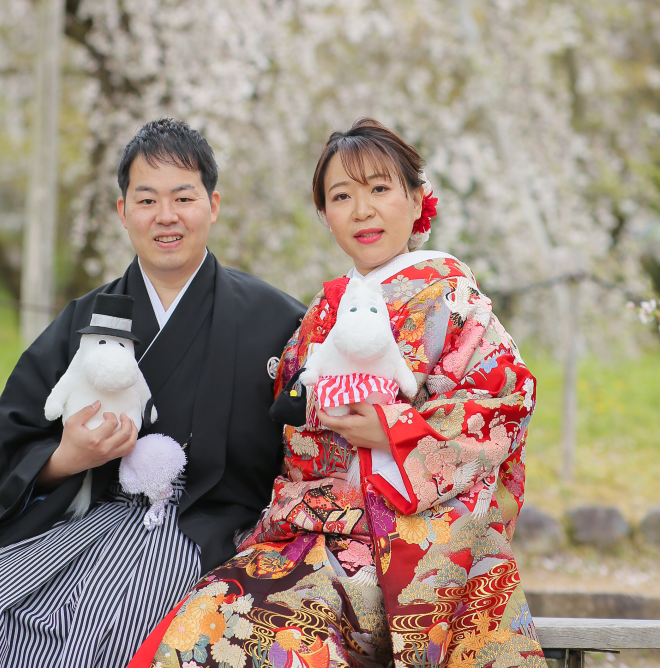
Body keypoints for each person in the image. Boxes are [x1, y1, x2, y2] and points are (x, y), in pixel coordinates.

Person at [138, 118, 545, 668]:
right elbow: (289, 425)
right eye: (341, 196)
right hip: (313, 531)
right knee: (205, 623)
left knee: (277, 639)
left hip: (413, 538)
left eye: (380, 189)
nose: (362, 210)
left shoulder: (452, 299)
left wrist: (397, 432)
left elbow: (505, 403)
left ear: (417, 198)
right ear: (325, 215)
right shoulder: (324, 312)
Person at [0, 118, 305, 668]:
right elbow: (22, 432)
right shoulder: (85, 319)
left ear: (213, 205)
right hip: (87, 521)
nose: (165, 216)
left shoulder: (275, 319)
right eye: (146, 200)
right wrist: (66, 457)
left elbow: (308, 447)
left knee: (108, 623)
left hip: (204, 533)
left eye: (182, 197)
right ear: (124, 213)